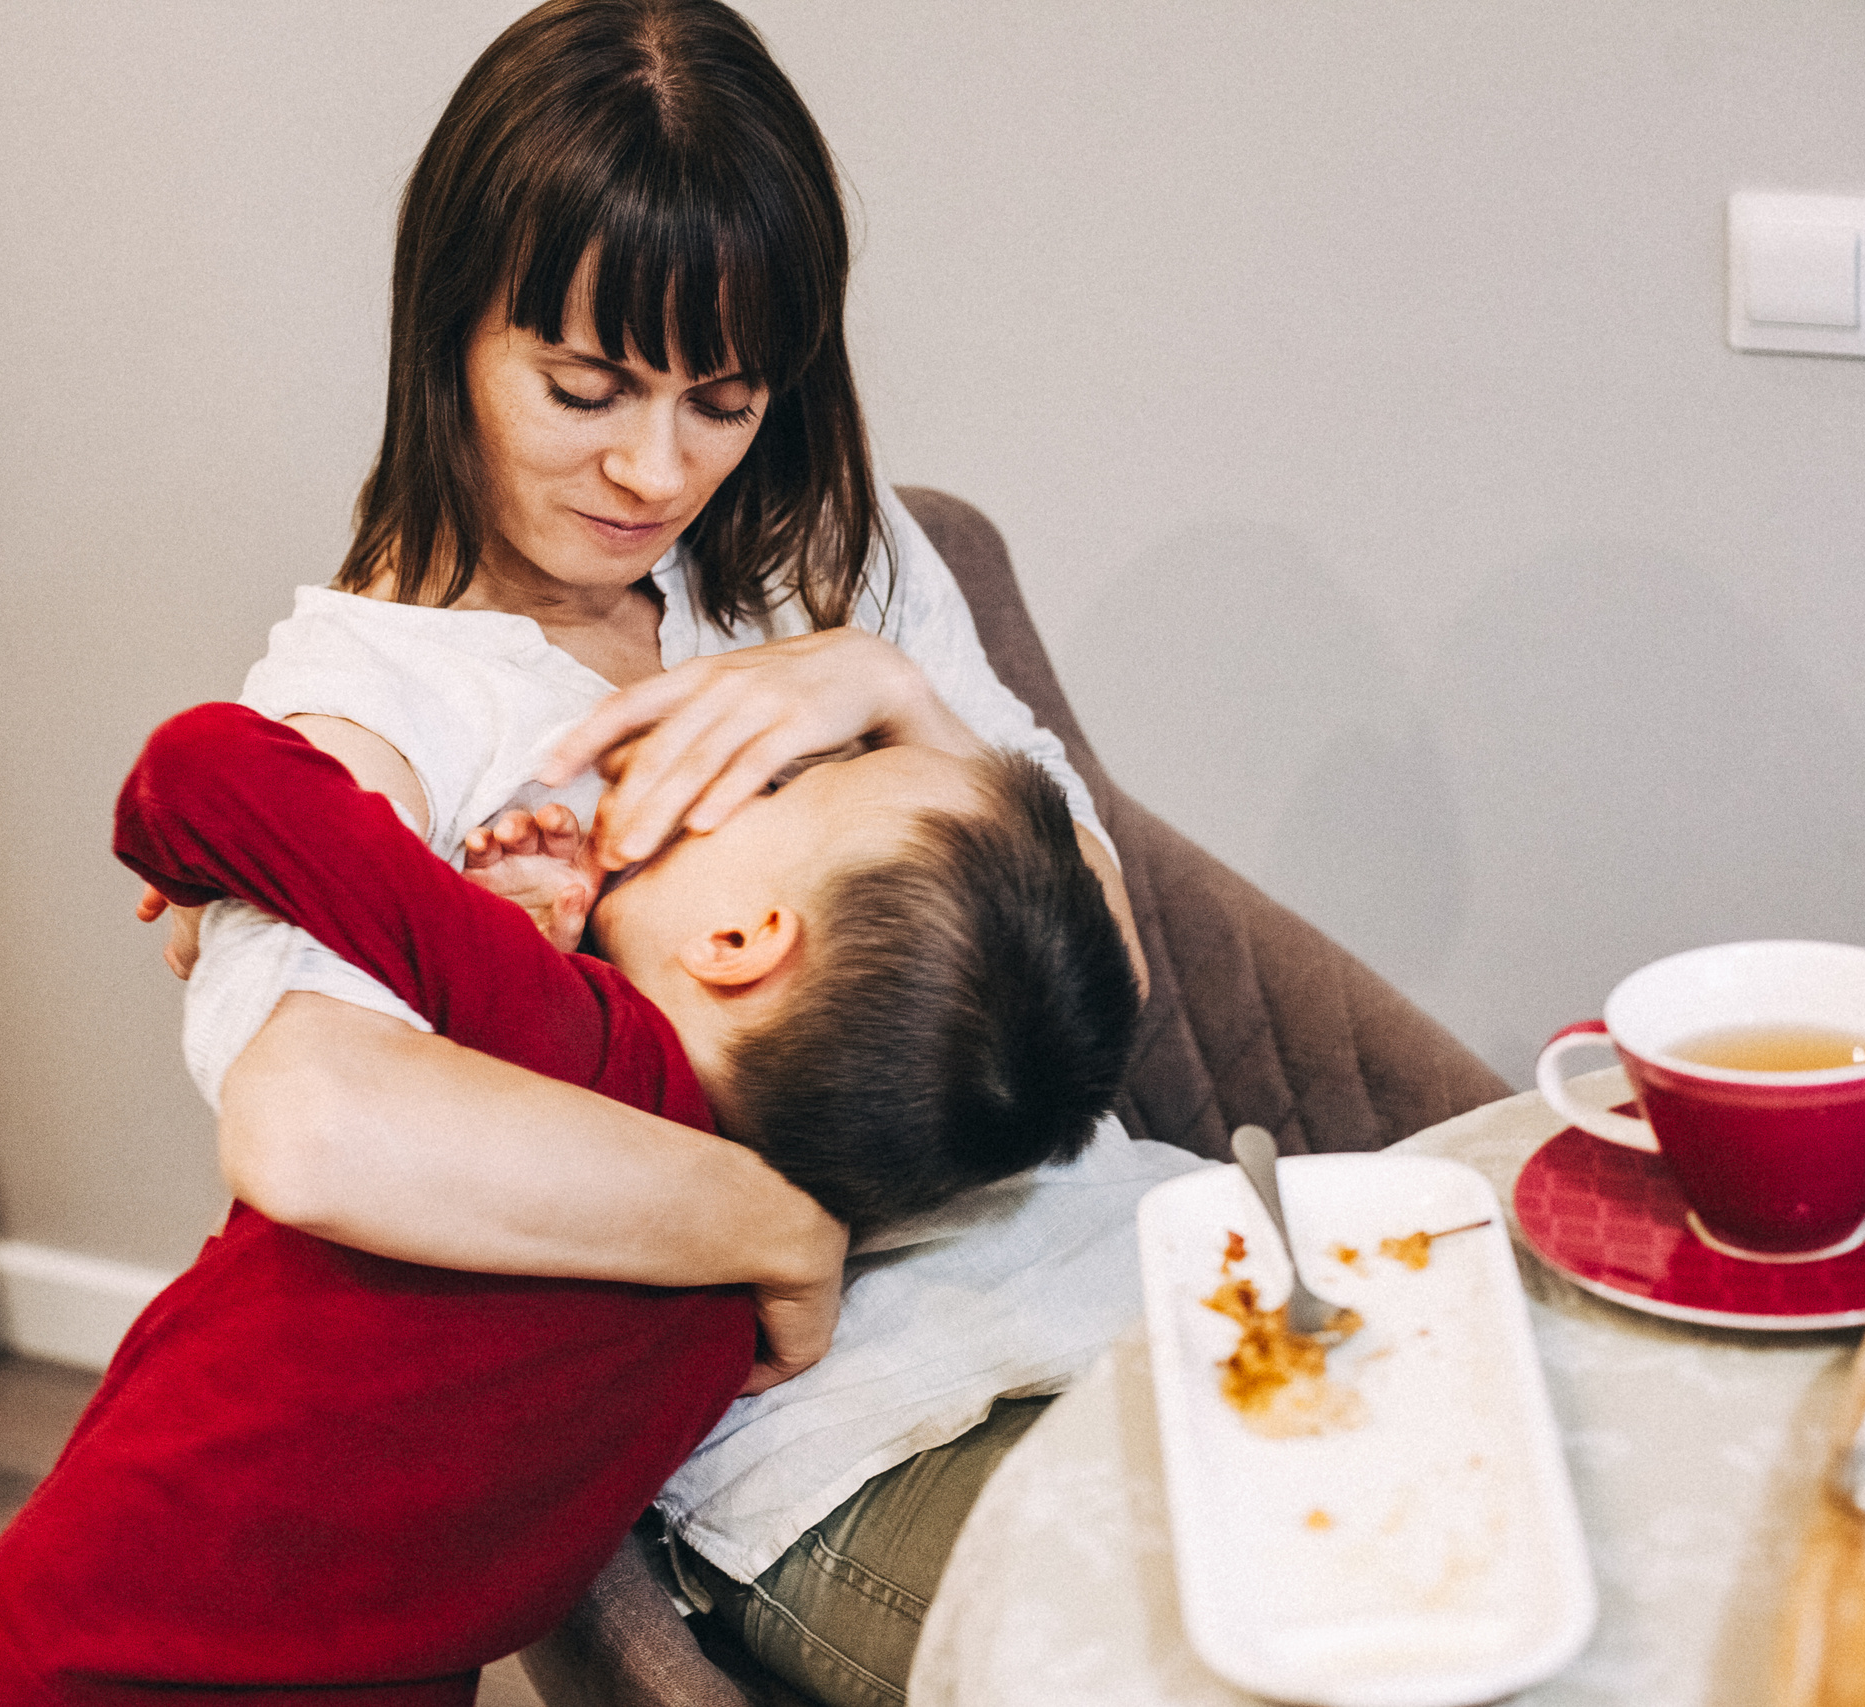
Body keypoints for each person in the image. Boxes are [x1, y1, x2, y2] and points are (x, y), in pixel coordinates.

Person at [135, 2, 1205, 1701]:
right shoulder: (369, 711)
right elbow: (309, 1118)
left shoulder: (817, 543)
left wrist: (892, 690)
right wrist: (780, 1227)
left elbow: (1113, 967)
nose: (654, 470)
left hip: (1147, 1260)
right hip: (847, 1432)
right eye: (581, 387)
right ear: (449, 333)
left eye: (722, 396)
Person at [0, 700, 1136, 1707]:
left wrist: (210, 872)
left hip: (84, 1652)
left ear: (742, 938)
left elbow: (200, 765)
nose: (726, 795)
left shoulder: (582, 1050)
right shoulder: (739, 1311)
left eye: (768, 798)